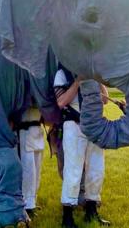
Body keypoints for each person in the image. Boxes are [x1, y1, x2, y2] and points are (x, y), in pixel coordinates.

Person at [54, 65, 111, 228]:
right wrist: (78, 81)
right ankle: (67, 217)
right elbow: (61, 102)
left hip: (95, 126)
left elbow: (105, 99)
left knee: (96, 169)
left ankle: (91, 212)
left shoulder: (94, 72)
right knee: (73, 170)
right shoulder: (62, 73)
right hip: (74, 125)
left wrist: (97, 79)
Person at [17, 106, 45, 218]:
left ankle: (32, 201)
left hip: (37, 129)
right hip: (25, 130)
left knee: (37, 170)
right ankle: (26, 205)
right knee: (28, 171)